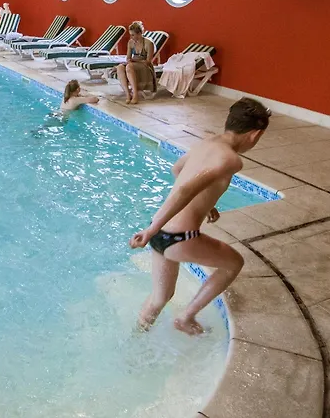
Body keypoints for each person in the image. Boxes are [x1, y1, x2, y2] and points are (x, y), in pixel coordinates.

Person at [130, 98, 271, 335]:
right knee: (234, 264)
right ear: (255, 135)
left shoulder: (208, 142)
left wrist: (204, 206)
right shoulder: (231, 159)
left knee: (160, 298)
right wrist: (150, 230)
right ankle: (186, 317)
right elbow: (185, 191)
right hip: (179, 237)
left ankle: (136, 337)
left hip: (160, 232)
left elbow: (177, 169)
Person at [116, 21, 155, 105]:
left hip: (145, 65)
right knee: (120, 67)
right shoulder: (131, 43)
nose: (132, 37)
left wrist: (134, 61)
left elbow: (148, 61)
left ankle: (135, 94)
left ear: (140, 33)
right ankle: (128, 94)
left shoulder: (148, 43)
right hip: (134, 63)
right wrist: (129, 60)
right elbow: (128, 57)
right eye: (131, 35)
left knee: (129, 67)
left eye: (133, 35)